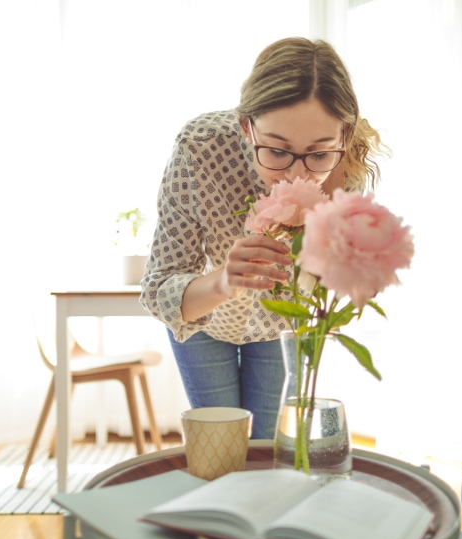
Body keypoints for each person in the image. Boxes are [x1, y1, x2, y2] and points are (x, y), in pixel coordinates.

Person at [139, 37, 386, 439]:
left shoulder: (347, 174)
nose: (296, 175)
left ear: (344, 135)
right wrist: (223, 280)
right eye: (276, 150)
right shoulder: (199, 148)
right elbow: (158, 289)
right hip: (205, 320)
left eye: (319, 154)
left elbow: (337, 281)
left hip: (282, 324)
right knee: (222, 447)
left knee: (268, 449)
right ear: (245, 125)